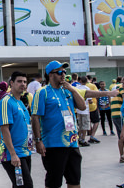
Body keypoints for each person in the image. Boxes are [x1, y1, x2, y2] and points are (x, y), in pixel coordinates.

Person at [32, 60, 110, 188]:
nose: (63, 75)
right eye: (60, 72)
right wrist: (38, 140)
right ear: (50, 74)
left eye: (64, 72)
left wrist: (73, 90)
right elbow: (35, 117)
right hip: (53, 144)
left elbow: (81, 106)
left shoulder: (67, 90)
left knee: (74, 181)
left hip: (72, 143)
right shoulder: (43, 92)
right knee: (54, 182)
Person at [0, 71, 34, 188]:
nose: (23, 84)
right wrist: (13, 154)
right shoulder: (6, 101)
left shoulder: (20, 102)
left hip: (25, 152)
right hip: (12, 154)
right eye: (19, 81)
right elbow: (4, 129)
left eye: (25, 82)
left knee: (19, 185)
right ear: (11, 83)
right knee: (26, 185)